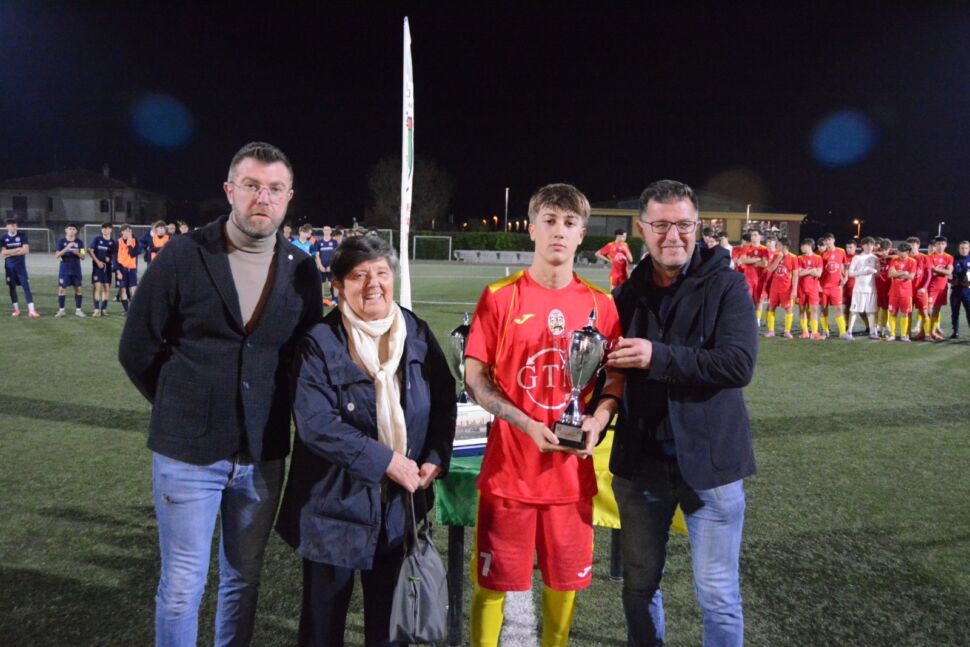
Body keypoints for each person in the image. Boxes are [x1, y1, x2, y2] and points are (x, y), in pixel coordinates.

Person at [118, 142, 322, 646]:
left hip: (263, 454)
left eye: (274, 188)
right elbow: (137, 348)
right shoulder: (183, 255)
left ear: (289, 197)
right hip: (187, 453)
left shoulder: (301, 269)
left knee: (243, 580)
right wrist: (180, 405)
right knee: (182, 587)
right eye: (251, 185)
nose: (262, 198)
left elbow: (304, 361)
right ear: (230, 190)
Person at [276, 235, 455, 647]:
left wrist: (434, 456)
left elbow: (445, 401)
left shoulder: (415, 331)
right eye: (359, 276)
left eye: (381, 273)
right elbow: (316, 424)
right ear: (338, 286)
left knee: (388, 632)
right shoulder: (319, 342)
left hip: (398, 510)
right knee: (322, 632)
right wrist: (387, 461)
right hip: (332, 509)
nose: (373, 284)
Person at [464, 183, 623, 647]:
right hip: (509, 475)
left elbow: (615, 381)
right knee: (491, 585)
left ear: (582, 235)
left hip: (569, 480)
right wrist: (525, 423)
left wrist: (597, 421)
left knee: (563, 586)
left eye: (569, 223)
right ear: (531, 229)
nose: (559, 231)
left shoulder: (601, 305)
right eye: (549, 221)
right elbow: (475, 378)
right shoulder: (500, 297)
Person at [607, 179, 757, 647]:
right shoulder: (625, 295)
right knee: (638, 588)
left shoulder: (728, 284)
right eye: (661, 226)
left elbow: (738, 364)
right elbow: (609, 374)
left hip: (711, 467)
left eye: (684, 225)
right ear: (642, 229)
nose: (673, 235)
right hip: (641, 466)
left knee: (718, 595)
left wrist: (658, 356)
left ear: (698, 226)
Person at [2, 218, 39, 318]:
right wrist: (18, 249)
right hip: (9, 268)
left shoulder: (22, 236)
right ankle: (16, 310)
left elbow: (26, 250)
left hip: (21, 267)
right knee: (12, 288)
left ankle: (32, 311)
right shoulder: (4, 238)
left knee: (26, 287)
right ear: (7, 227)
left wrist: (10, 252)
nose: (14, 227)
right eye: (11, 225)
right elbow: (3, 252)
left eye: (15, 225)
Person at [763, 236, 798, 338]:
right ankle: (771, 331)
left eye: (778, 245)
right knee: (771, 307)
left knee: (788, 309)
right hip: (774, 287)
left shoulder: (793, 257)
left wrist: (794, 290)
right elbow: (770, 269)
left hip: (786, 288)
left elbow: (795, 275)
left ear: (784, 246)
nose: (776, 246)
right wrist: (778, 259)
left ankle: (787, 331)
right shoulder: (776, 256)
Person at [847, 236, 880, 339]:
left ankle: (872, 332)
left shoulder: (875, 258)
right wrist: (864, 272)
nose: (870, 247)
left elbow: (878, 274)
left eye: (871, 245)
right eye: (867, 245)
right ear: (863, 246)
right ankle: (849, 332)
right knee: (854, 310)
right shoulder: (857, 258)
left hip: (871, 289)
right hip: (859, 289)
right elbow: (850, 273)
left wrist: (876, 271)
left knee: (871, 311)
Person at [818, 233, 848, 339]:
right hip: (824, 286)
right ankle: (825, 331)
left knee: (839, 308)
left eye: (829, 240)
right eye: (826, 240)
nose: (828, 242)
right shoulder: (822, 255)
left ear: (833, 240)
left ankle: (843, 332)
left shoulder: (841, 251)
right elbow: (819, 271)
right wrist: (818, 285)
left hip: (836, 286)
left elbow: (845, 265)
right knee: (823, 309)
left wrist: (845, 277)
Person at [54, 223, 86, 318]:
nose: (71, 230)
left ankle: (78, 310)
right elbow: (57, 255)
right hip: (64, 270)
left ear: (76, 231)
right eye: (70, 229)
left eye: (73, 229)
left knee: (78, 289)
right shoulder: (61, 242)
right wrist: (67, 248)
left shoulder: (80, 242)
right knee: (61, 290)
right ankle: (61, 310)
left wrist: (77, 253)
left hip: (76, 270)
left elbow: (83, 256)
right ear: (66, 230)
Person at [887, 242, 917, 341]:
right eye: (898, 251)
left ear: (907, 252)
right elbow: (890, 274)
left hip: (906, 293)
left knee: (905, 314)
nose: (899, 253)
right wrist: (904, 272)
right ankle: (892, 334)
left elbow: (911, 276)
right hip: (894, 292)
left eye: (901, 252)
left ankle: (904, 335)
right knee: (892, 313)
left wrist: (897, 273)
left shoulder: (912, 261)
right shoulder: (894, 260)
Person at [926, 236, 953, 341]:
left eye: (942, 244)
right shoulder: (930, 257)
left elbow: (949, 272)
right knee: (929, 311)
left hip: (942, 288)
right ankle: (927, 332)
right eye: (938, 244)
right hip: (931, 287)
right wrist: (943, 271)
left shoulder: (949, 257)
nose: (940, 246)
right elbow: (931, 270)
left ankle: (933, 331)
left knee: (937, 311)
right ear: (935, 245)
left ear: (946, 245)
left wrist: (937, 270)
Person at [797, 239, 824, 340]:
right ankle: (805, 332)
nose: (801, 248)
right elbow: (799, 273)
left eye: (803, 246)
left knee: (814, 309)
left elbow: (819, 274)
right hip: (801, 288)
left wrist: (806, 271)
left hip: (813, 288)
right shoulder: (799, 258)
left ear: (808, 246)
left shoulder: (818, 258)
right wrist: (811, 270)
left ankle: (814, 332)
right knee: (802, 309)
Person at [89, 222, 117, 317]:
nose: (105, 230)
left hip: (107, 268)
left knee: (106, 287)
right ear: (101, 230)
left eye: (107, 228)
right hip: (97, 267)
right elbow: (90, 250)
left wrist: (110, 259)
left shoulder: (113, 242)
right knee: (97, 286)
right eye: (103, 228)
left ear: (111, 230)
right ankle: (96, 309)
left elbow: (115, 255)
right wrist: (97, 262)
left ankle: (103, 309)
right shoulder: (97, 239)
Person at [115, 225, 141, 312]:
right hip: (121, 269)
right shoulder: (118, 242)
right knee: (122, 290)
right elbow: (114, 258)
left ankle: (134, 310)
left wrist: (129, 245)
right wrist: (118, 271)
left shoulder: (135, 241)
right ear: (122, 232)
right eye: (127, 231)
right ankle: (127, 310)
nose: (129, 232)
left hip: (132, 269)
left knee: (133, 289)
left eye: (130, 231)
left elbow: (133, 254)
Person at [874, 238, 894, 338]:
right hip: (877, 287)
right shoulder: (876, 256)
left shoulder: (893, 257)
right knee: (875, 308)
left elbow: (901, 255)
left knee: (886, 309)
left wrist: (888, 256)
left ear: (890, 249)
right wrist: (879, 254)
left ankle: (883, 328)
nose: (885, 251)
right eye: (883, 249)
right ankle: (874, 328)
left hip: (889, 287)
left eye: (887, 249)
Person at [950, 240, 970, 338]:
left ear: (969, 249)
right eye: (962, 248)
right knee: (955, 312)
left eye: (966, 248)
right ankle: (955, 332)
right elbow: (948, 275)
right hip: (956, 290)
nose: (964, 250)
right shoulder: (953, 259)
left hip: (968, 290)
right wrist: (952, 280)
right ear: (958, 249)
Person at [315, 225, 339, 306]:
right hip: (322, 267)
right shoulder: (318, 242)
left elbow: (335, 255)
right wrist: (320, 265)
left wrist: (331, 265)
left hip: (331, 266)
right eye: (325, 229)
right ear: (323, 231)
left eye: (328, 230)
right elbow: (317, 255)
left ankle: (335, 300)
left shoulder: (334, 242)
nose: (327, 231)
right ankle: (321, 300)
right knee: (321, 283)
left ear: (331, 231)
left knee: (334, 283)